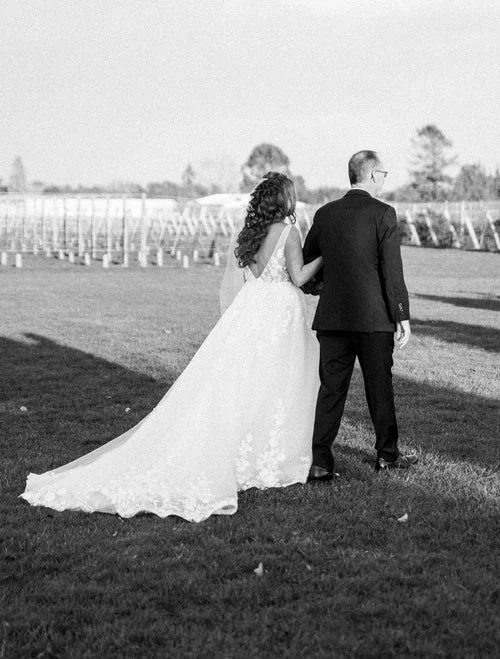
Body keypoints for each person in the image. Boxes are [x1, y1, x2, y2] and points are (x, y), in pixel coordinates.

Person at [20, 172, 323, 522]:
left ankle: (248, 454)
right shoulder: (290, 231)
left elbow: (251, 276)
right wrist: (326, 256)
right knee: (276, 384)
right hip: (278, 315)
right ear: (284, 200)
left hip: (252, 310)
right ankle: (269, 457)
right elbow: (299, 278)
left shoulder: (250, 233)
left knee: (240, 384)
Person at [303, 151, 418, 480]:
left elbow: (310, 260)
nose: (384, 180)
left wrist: (323, 287)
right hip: (373, 319)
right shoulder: (384, 213)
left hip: (333, 318)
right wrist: (402, 315)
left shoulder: (325, 213)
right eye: (383, 173)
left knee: (331, 390)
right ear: (370, 175)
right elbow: (391, 270)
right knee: (379, 387)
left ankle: (320, 462)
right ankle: (386, 456)